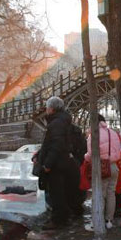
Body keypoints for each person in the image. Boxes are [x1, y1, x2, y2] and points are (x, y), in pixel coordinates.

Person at [35, 97, 83, 230]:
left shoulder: (56, 123)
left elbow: (56, 145)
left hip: (57, 164)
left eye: (47, 107)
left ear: (52, 108)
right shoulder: (64, 121)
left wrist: (47, 165)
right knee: (63, 191)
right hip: (64, 161)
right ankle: (64, 217)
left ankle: (58, 220)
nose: (46, 110)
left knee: (56, 193)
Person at [84, 115, 121, 231]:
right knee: (111, 193)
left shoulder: (94, 135)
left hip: (101, 167)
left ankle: (97, 221)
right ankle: (109, 220)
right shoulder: (113, 133)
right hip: (114, 166)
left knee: (100, 194)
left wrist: (85, 156)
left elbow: (91, 155)